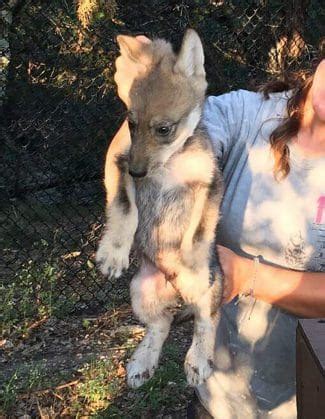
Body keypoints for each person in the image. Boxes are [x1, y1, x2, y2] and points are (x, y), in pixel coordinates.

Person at [113, 36, 325, 418]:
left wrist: (245, 276)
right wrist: (145, 91)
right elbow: (143, 156)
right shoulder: (248, 114)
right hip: (221, 397)